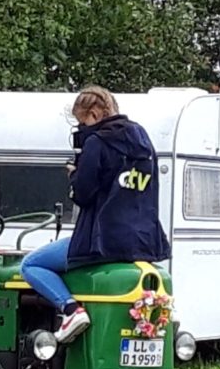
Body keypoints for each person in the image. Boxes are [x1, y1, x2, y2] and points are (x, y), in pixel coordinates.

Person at [20, 85, 171, 343]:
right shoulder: (143, 139)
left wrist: (74, 176)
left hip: (102, 240)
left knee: (31, 265)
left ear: (93, 114)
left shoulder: (97, 142)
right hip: (143, 241)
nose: (82, 128)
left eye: (82, 121)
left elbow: (84, 193)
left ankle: (70, 310)